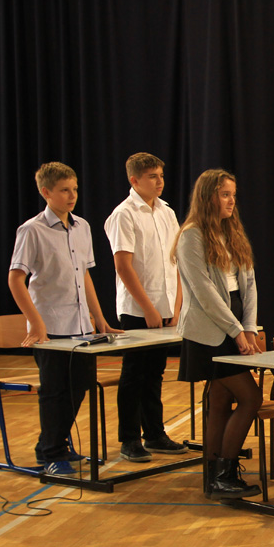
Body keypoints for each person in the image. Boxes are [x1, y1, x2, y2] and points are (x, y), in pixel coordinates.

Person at [7, 162, 121, 473]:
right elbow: (16, 279)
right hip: (51, 325)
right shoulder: (32, 230)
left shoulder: (82, 226)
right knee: (54, 390)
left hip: (80, 325)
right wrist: (36, 322)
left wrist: (99, 318)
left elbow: (84, 275)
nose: (72, 196)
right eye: (64, 190)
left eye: (75, 189)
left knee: (80, 385)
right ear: (46, 192)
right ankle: (52, 453)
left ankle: (52, 444)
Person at [172, 169, 263, 499]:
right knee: (250, 398)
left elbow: (249, 284)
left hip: (234, 326)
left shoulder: (232, 231)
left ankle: (214, 478)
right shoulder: (191, 235)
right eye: (225, 194)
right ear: (208, 196)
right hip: (209, 332)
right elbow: (204, 292)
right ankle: (224, 472)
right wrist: (236, 331)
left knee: (221, 401)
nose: (231, 201)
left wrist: (249, 327)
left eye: (233, 195)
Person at [104, 152, 188, 462]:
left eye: (161, 176)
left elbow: (175, 260)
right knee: (134, 374)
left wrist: (176, 305)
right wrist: (148, 307)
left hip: (165, 306)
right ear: (135, 180)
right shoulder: (124, 214)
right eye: (152, 177)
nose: (159, 181)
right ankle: (129, 438)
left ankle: (154, 433)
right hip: (138, 309)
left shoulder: (166, 211)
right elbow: (123, 266)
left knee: (155, 373)